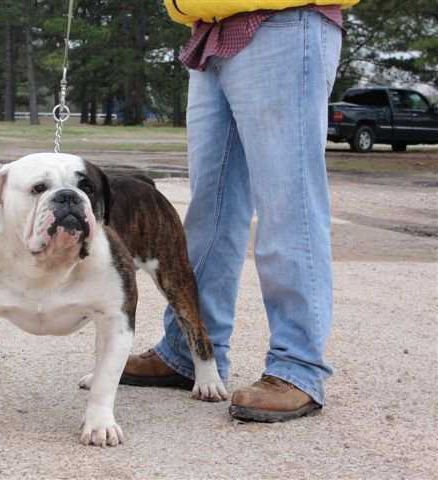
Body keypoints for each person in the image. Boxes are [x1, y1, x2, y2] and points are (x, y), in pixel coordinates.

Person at [120, 0, 359, 422]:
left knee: (289, 204)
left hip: (283, 19)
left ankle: (298, 366)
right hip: (210, 28)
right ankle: (190, 351)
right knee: (209, 212)